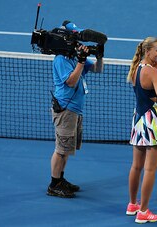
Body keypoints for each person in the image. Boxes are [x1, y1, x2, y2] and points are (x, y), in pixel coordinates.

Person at [46, 22, 104, 198]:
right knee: (61, 149)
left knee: (66, 149)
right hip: (65, 110)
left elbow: (97, 69)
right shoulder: (61, 60)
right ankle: (54, 184)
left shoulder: (73, 57)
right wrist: (80, 61)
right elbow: (71, 82)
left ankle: (60, 179)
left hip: (75, 110)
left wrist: (99, 56)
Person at [126, 37, 157, 224]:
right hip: (152, 122)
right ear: (148, 51)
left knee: (136, 166)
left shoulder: (137, 68)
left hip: (138, 120)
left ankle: (132, 205)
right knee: (150, 169)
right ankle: (143, 211)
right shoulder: (153, 73)